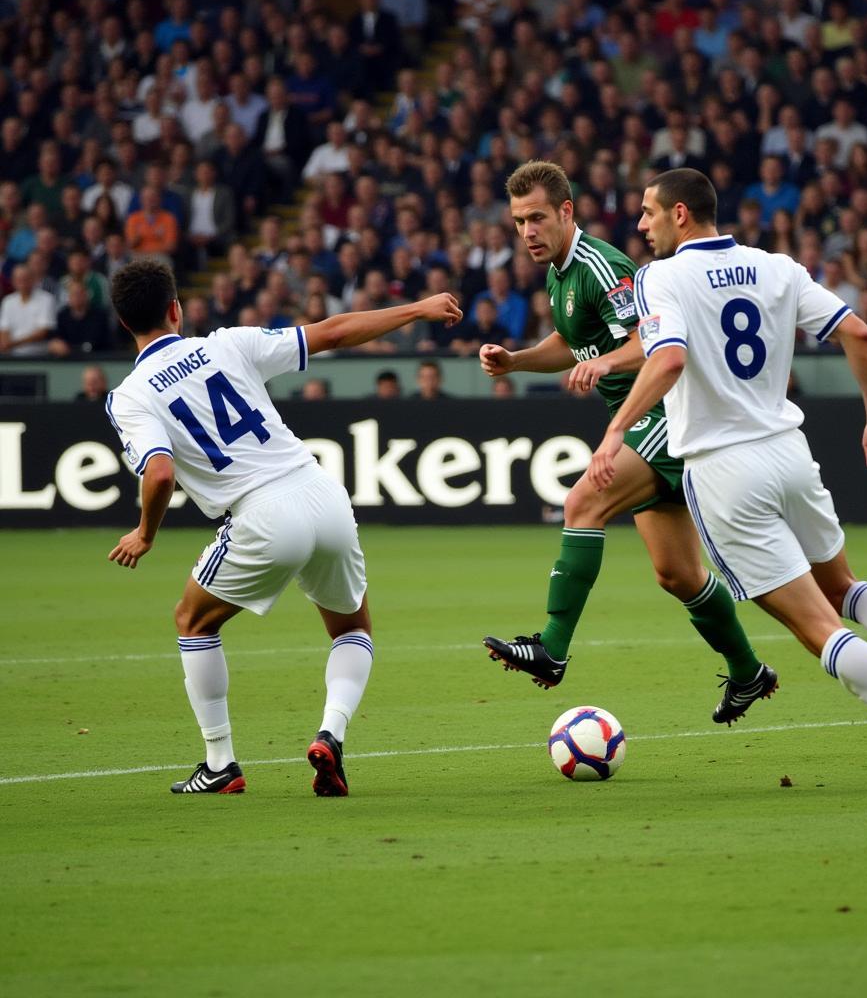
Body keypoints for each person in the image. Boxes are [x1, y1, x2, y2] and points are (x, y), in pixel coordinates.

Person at [588, 168, 867, 788]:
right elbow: (858, 330)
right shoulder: (775, 266)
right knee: (842, 587)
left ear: (681, 216)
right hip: (790, 452)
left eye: (648, 213)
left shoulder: (659, 277)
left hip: (723, 470)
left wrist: (615, 431)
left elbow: (668, 356)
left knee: (816, 627)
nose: (640, 225)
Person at [105, 259, 461, 795]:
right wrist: (419, 308)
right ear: (176, 309)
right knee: (352, 629)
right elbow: (335, 331)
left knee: (193, 621)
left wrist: (145, 533)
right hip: (323, 493)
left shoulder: (130, 396)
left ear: (123, 323)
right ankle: (331, 734)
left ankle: (221, 764)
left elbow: (158, 472)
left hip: (263, 514)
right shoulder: (226, 344)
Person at [480, 160, 767, 725]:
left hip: (664, 411)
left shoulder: (600, 265)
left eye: (537, 217)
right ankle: (749, 672)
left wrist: (610, 362)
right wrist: (517, 361)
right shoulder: (559, 273)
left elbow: (652, 341)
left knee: (582, 502)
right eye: (518, 222)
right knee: (678, 574)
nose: (528, 232)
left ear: (566, 211)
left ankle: (552, 648)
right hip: (638, 418)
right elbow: (571, 340)